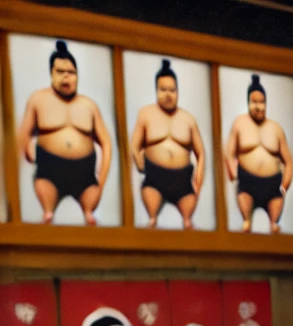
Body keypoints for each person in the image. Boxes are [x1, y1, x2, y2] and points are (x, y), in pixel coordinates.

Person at [17, 40, 111, 225]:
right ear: (51, 73)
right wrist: (27, 152)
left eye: (71, 73)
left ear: (77, 75)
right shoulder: (38, 100)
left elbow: (106, 143)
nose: (66, 78)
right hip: (49, 169)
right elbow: (23, 134)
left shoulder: (89, 106)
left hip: (85, 172)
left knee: (90, 219)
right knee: (47, 218)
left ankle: (89, 214)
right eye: (60, 72)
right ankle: (48, 214)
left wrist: (102, 178)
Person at [130, 60, 204, 229]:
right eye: (163, 90)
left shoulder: (188, 119)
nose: (168, 94)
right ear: (156, 90)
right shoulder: (146, 114)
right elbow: (134, 144)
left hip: (183, 179)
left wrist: (198, 179)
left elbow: (201, 153)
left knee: (188, 224)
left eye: (172, 90)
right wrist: (139, 162)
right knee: (152, 222)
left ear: (178, 91)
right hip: (155, 176)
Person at [224, 75, 292, 232]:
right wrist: (234, 176)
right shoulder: (240, 123)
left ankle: (274, 224)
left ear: (266, 103)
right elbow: (229, 153)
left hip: (273, 183)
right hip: (247, 181)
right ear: (248, 102)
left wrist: (284, 186)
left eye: (261, 102)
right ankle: (246, 221)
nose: (258, 107)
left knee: (274, 227)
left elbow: (288, 161)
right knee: (246, 225)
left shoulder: (276, 129)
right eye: (254, 102)